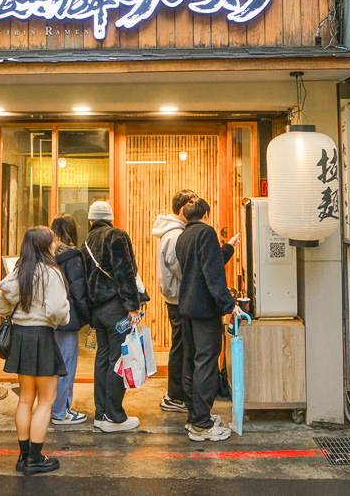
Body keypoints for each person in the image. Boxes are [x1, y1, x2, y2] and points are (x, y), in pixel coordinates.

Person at [0, 226, 71, 475]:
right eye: (52, 242)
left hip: (21, 337)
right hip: (42, 336)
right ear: (45, 246)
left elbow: (0, 304)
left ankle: (23, 456)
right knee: (46, 401)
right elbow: (58, 310)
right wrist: (63, 320)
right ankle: (35, 459)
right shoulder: (51, 272)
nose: (55, 246)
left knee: (26, 399)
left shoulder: (19, 271)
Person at [175, 197, 241, 442]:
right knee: (206, 363)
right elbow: (212, 274)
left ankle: (194, 417)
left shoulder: (184, 236)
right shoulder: (206, 232)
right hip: (204, 309)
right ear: (205, 214)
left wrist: (228, 248)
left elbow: (203, 265)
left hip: (187, 307)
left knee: (191, 362)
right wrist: (229, 305)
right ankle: (203, 424)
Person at [83, 200, 142, 432]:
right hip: (117, 309)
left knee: (103, 359)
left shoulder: (87, 241)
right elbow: (125, 272)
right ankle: (114, 416)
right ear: (111, 218)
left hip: (98, 311)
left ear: (91, 219)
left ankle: (101, 414)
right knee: (119, 360)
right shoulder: (116, 235)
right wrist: (132, 306)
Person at [151, 189, 197, 413]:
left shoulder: (172, 231)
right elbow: (177, 265)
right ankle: (174, 395)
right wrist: (194, 279)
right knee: (180, 347)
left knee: (180, 345)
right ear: (182, 209)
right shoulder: (174, 233)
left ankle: (177, 393)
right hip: (178, 297)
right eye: (190, 206)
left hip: (175, 296)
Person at [49, 213, 90, 425]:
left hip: (48, 318)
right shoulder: (73, 257)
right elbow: (79, 290)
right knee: (67, 364)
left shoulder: (47, 254)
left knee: (53, 366)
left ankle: (51, 407)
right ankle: (61, 412)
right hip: (67, 318)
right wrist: (89, 316)